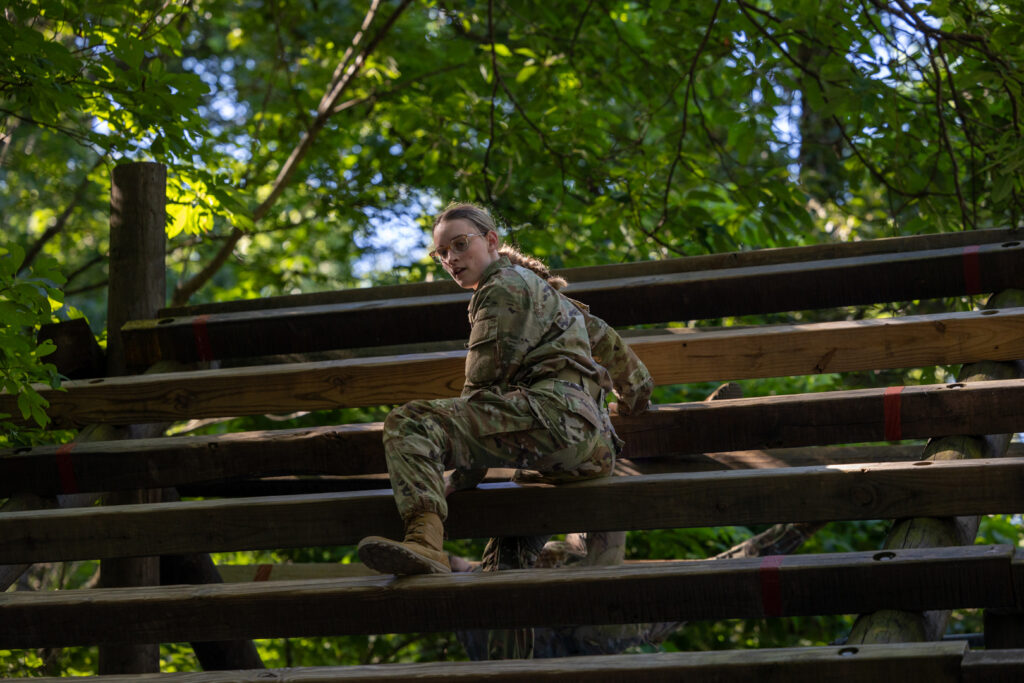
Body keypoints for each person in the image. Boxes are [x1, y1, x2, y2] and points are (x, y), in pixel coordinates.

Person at [357, 203, 653, 583]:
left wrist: (461, 479)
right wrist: (634, 401)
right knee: (502, 569)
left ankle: (426, 542)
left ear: (492, 241)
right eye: (442, 253)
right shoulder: (544, 292)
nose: (451, 258)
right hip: (592, 451)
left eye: (460, 245)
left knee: (410, 422)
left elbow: (481, 393)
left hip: (556, 427)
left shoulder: (500, 288)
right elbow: (614, 347)